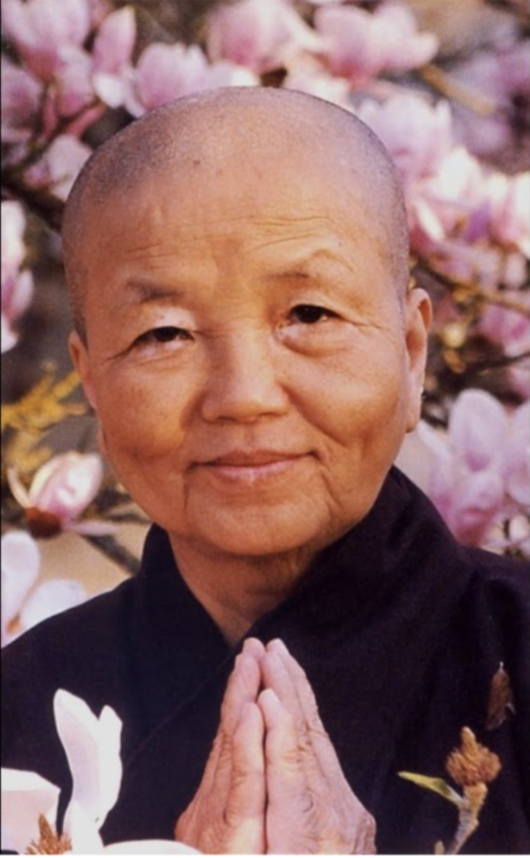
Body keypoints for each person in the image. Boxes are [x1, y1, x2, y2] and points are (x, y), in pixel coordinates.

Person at [2, 87, 529, 855]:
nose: (243, 395)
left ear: (412, 356)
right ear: (93, 386)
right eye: (164, 333)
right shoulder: (21, 707)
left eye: (309, 315)